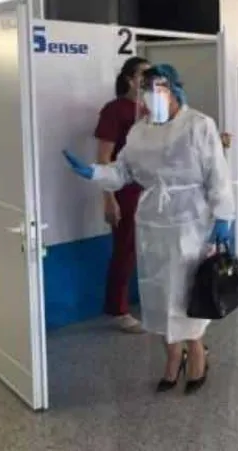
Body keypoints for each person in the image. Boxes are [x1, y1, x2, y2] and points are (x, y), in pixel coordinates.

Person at [63, 64, 235, 395]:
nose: (150, 96)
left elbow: (218, 175)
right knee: (158, 293)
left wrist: (223, 216)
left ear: (174, 90)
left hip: (190, 219)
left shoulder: (198, 125)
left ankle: (197, 355)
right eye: (146, 89)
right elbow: (122, 171)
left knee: (187, 292)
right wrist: (94, 173)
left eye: (158, 88)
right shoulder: (139, 131)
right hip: (153, 221)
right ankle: (172, 358)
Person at [94, 56, 151, 333]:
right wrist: (109, 198)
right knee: (125, 249)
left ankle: (149, 302)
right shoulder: (114, 110)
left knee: (151, 248)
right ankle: (118, 309)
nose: (150, 81)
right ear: (130, 79)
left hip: (152, 187)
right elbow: (104, 158)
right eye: (144, 75)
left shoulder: (153, 109)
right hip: (125, 189)